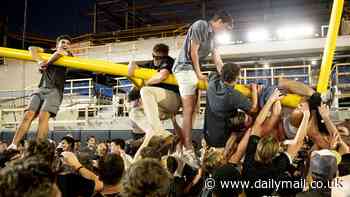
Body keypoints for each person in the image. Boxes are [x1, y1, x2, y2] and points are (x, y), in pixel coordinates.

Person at [172, 11, 233, 167]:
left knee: (194, 109)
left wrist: (226, 77)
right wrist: (199, 73)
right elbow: (193, 51)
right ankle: (187, 148)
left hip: (193, 70)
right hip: (184, 67)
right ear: (218, 21)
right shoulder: (201, 25)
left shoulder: (214, 38)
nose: (224, 31)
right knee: (189, 108)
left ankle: (184, 143)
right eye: (225, 27)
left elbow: (217, 59)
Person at [8, 35, 73, 149]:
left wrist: (46, 63)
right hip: (41, 88)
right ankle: (13, 145)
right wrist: (39, 61)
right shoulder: (48, 52)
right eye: (63, 42)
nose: (66, 45)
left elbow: (60, 54)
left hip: (55, 90)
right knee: (28, 115)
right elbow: (32, 48)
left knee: (43, 117)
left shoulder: (69, 55)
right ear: (57, 43)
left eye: (68, 43)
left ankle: (39, 148)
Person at [242, 89, 310, 197]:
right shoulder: (275, 168)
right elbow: (297, 144)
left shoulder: (250, 160)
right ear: (274, 155)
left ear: (259, 146)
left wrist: (271, 101)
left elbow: (257, 125)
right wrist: (306, 115)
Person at [128, 43, 181, 161]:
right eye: (154, 56)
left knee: (146, 90)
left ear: (165, 57)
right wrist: (132, 68)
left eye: (159, 58)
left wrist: (145, 84)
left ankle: (158, 132)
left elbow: (162, 76)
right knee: (134, 112)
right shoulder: (150, 64)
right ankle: (151, 131)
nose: (155, 60)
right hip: (160, 107)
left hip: (172, 100)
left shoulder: (170, 62)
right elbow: (136, 71)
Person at [204, 63, 258, 148]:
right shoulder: (234, 95)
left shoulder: (212, 82)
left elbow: (213, 74)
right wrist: (254, 89)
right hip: (222, 141)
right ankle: (236, 139)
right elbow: (254, 109)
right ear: (237, 78)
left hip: (208, 136)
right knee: (248, 119)